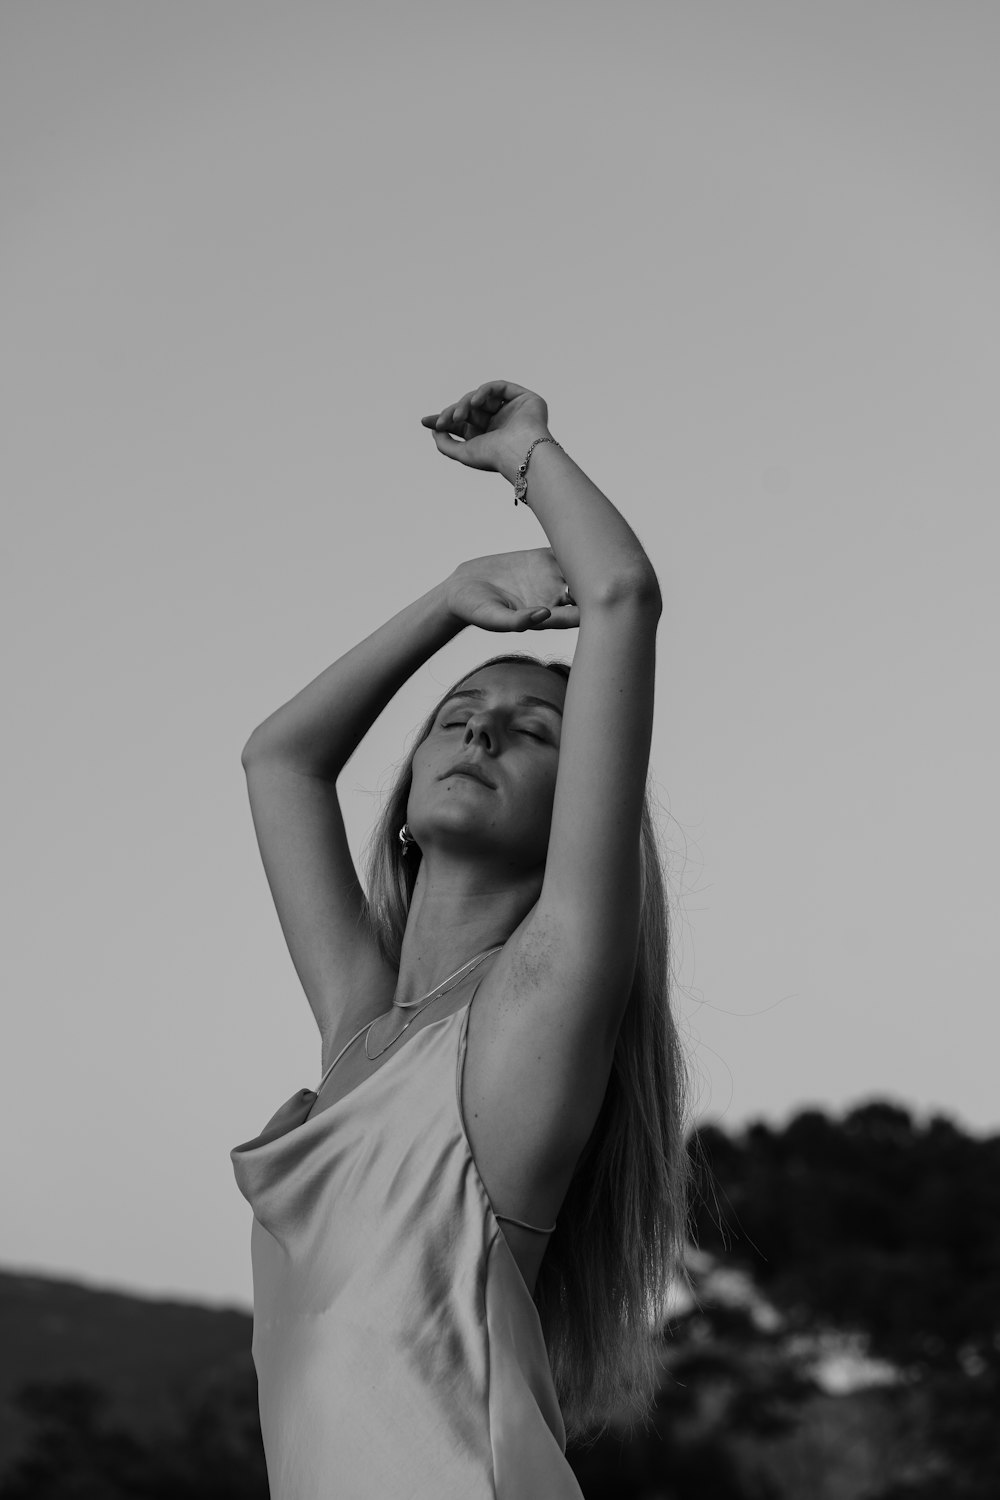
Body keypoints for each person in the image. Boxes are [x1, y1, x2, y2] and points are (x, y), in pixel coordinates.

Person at [231, 380, 690, 1499]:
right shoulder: (360, 1029)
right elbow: (278, 762)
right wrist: (448, 600)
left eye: (535, 731)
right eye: (454, 715)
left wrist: (526, 454)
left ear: (574, 816)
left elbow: (621, 594)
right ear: (400, 809)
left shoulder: (539, 998)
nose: (481, 726)